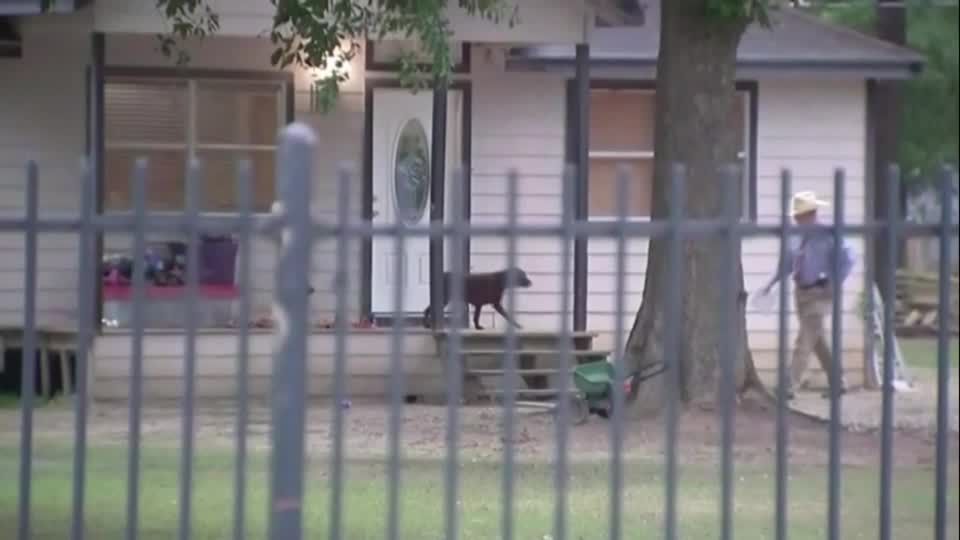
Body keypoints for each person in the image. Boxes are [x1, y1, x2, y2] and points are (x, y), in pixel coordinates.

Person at [762, 191, 856, 399]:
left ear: (811, 214)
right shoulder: (795, 237)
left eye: (800, 215)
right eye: (795, 215)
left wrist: (835, 280)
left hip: (821, 291)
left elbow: (848, 258)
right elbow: (788, 263)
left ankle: (789, 385)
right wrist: (772, 283)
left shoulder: (828, 234)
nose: (796, 219)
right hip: (801, 292)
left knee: (804, 339)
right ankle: (838, 382)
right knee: (817, 339)